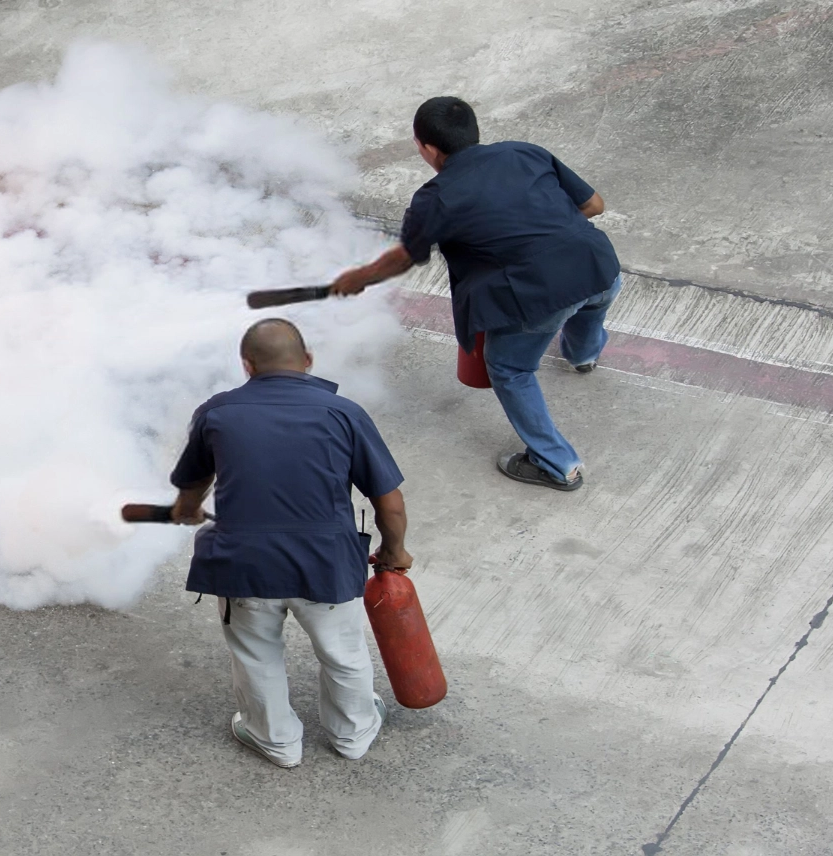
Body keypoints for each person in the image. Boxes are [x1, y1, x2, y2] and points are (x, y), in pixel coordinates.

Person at [330, 97, 620, 492]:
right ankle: (584, 357)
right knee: (588, 305)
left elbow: (404, 259)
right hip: (599, 265)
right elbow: (595, 205)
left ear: (428, 148)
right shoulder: (525, 152)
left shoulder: (434, 199)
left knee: (510, 368)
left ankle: (558, 464)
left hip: (539, 294)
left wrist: (360, 277)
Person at [169, 318, 412, 767]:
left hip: (245, 566)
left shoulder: (216, 412)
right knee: (343, 652)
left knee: (256, 654)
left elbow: (193, 485)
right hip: (327, 564)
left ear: (247, 365)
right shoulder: (344, 413)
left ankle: (276, 741)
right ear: (308, 361)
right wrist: (395, 551)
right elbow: (389, 502)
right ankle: (353, 735)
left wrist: (186, 510)